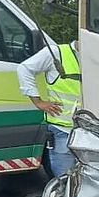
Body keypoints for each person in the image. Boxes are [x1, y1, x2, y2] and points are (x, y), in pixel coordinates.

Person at [17, 39, 81, 176]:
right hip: (63, 130)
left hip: (90, 132)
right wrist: (38, 102)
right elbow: (24, 69)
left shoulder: (97, 58)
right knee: (65, 180)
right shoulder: (57, 53)